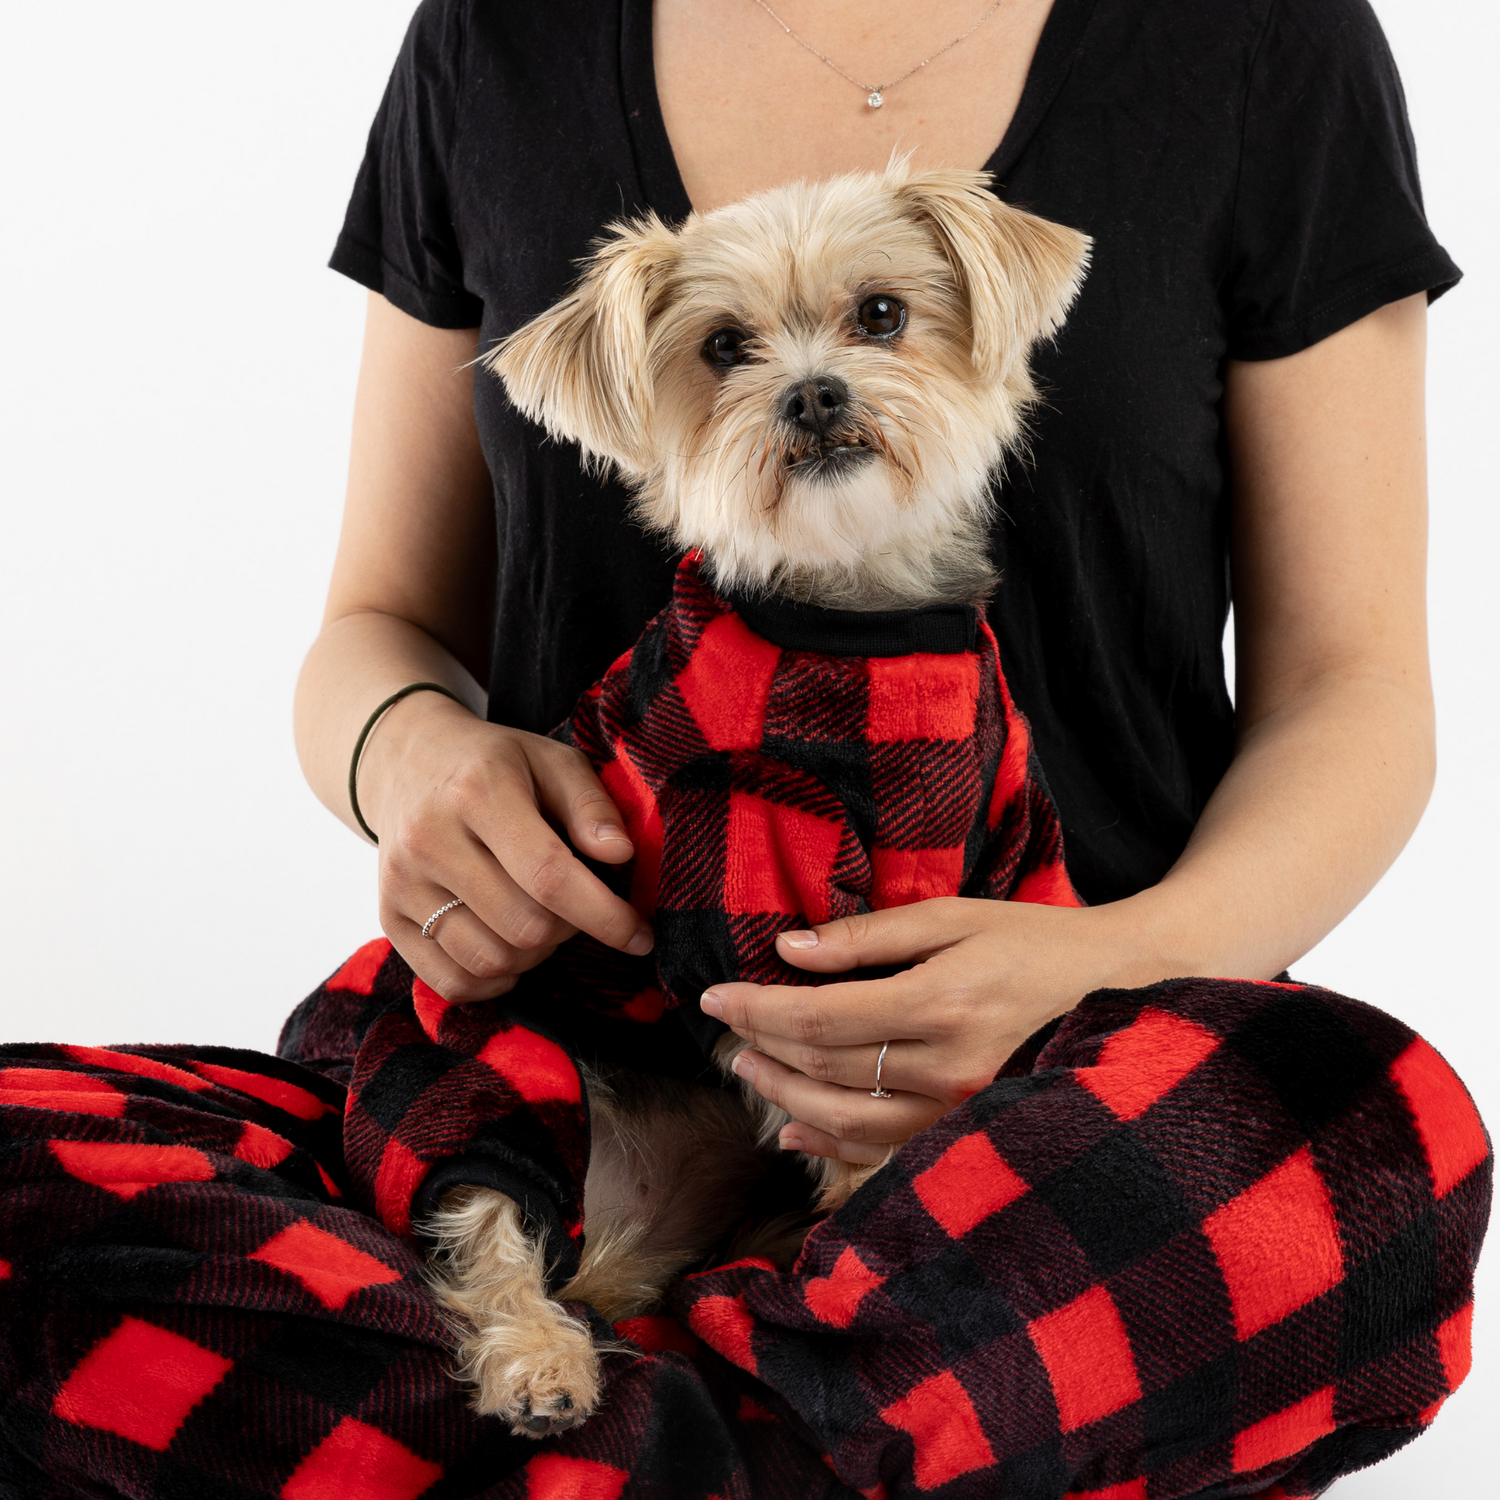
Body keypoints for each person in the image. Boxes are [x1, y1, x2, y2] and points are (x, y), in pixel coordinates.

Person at [0, 3, 1488, 1497]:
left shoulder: (1258, 41)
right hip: (586, 1073)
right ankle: (819, 1426)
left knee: (1372, 1154)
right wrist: (413, 759)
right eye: (731, 351)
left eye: (877, 321)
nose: (815, 383)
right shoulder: (494, 41)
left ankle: (545, 1434)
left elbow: (1353, 690)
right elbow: (378, 625)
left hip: (1069, 1105)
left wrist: (1096, 970)